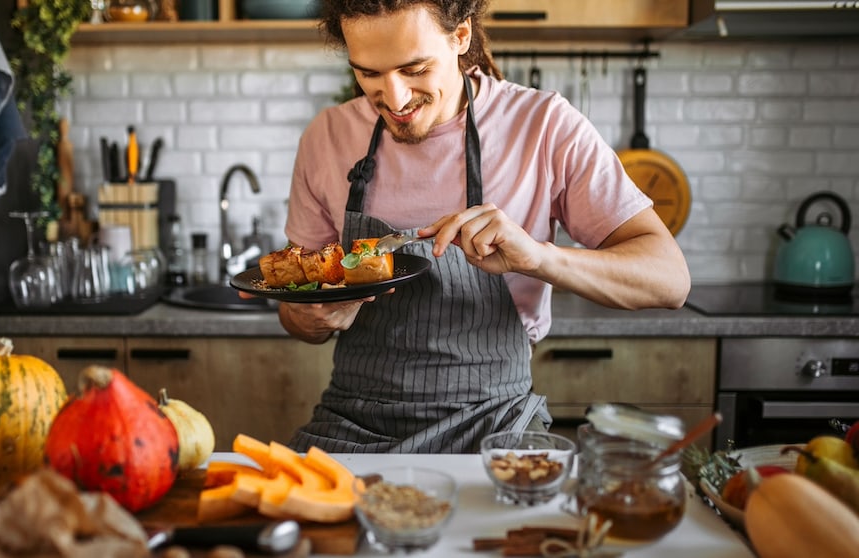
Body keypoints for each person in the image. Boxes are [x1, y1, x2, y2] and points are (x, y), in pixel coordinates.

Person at [276, 0, 690, 453]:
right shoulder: (327, 137)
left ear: (461, 37)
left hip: (495, 424)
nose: (394, 100)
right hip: (351, 422)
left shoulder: (543, 126)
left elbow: (669, 280)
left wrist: (538, 257)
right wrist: (311, 316)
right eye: (369, 74)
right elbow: (296, 315)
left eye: (415, 69)